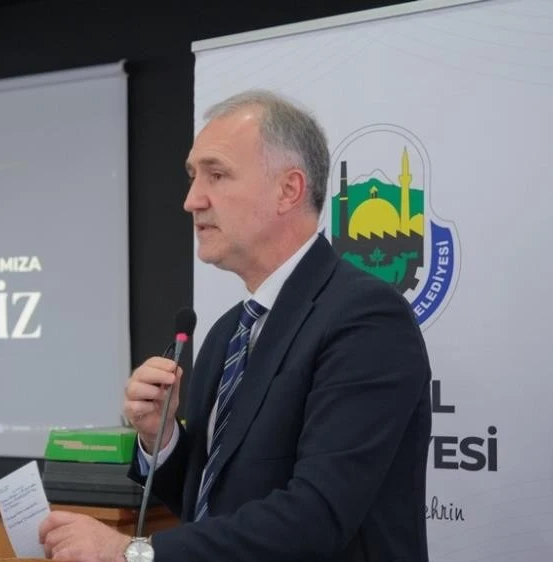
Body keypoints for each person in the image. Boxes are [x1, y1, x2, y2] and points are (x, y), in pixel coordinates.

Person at [38, 89, 432, 561]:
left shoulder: (366, 320)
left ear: (288, 190)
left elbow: (317, 517)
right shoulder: (228, 331)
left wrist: (132, 553)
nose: (191, 200)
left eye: (217, 174)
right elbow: (207, 503)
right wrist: (162, 438)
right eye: (192, 177)